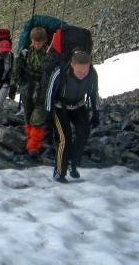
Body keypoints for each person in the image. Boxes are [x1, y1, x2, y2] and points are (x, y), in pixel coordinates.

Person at [45, 50, 100, 183]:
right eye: (79, 72)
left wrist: (96, 112)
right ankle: (59, 173)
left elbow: (94, 94)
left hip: (79, 106)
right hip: (60, 107)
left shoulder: (92, 73)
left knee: (84, 133)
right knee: (65, 138)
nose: (83, 75)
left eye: (85, 72)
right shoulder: (60, 73)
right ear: (72, 65)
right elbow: (49, 94)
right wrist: (48, 115)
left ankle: (72, 163)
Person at [11, 27, 48, 157]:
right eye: (34, 41)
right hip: (27, 87)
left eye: (40, 42)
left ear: (45, 41)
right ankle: (30, 140)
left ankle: (33, 147)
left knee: (37, 119)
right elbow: (17, 68)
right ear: (31, 40)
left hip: (43, 90)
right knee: (28, 116)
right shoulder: (25, 52)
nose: (37, 44)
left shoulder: (50, 53)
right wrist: (13, 84)